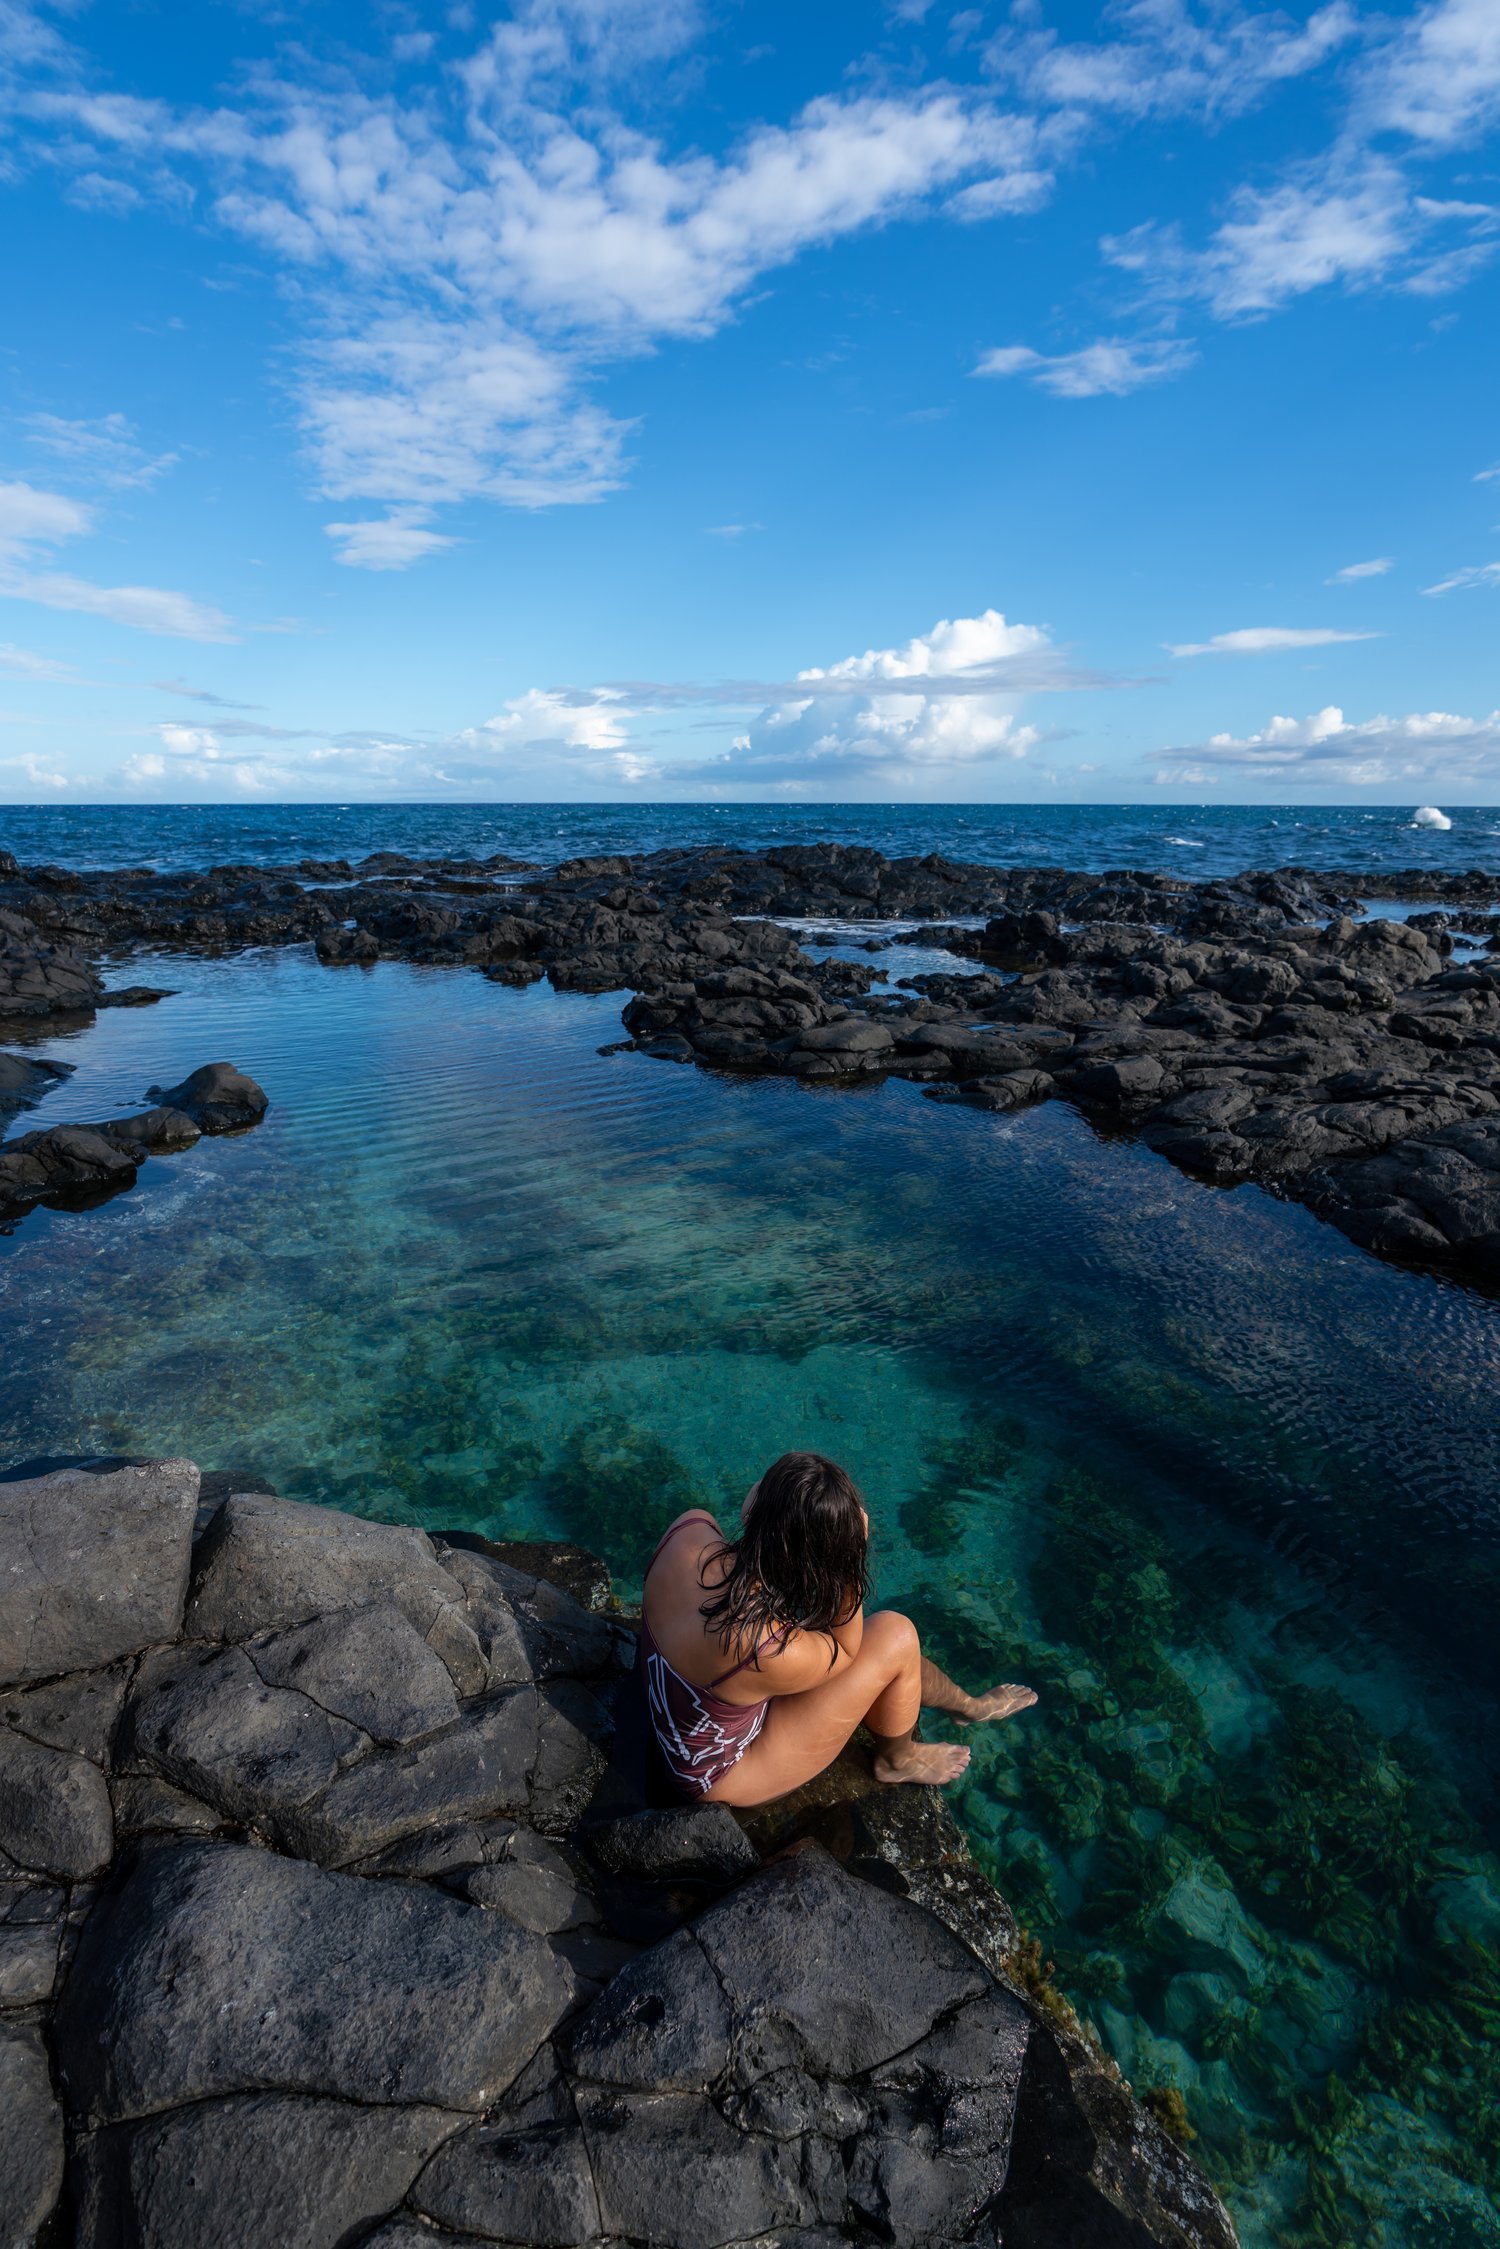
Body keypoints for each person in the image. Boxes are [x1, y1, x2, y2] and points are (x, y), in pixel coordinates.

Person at [639, 1450, 1037, 1807]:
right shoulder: (765, 1647)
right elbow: (847, 1651)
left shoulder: (689, 1528)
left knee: (888, 1645)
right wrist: (849, 1558)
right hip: (714, 1774)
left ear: (752, 1506)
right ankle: (899, 1759)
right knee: (897, 1636)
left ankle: (966, 1707)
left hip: (679, 1706)